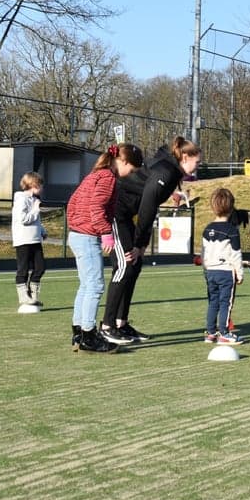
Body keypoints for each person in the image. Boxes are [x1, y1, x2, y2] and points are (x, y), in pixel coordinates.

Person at [99, 135, 201, 344]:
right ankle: (107, 326)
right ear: (184, 156)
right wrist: (139, 244)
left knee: (134, 266)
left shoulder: (171, 170)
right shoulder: (166, 172)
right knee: (125, 266)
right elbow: (147, 206)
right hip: (116, 212)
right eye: (196, 162)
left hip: (126, 215)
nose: (198, 166)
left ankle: (121, 323)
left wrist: (140, 245)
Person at [66, 143, 144, 353]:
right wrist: (106, 233)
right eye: (132, 170)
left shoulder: (95, 175)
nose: (130, 174)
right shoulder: (108, 178)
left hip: (76, 233)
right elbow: (97, 207)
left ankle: (79, 330)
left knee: (85, 285)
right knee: (95, 285)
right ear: (124, 162)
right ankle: (89, 335)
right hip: (87, 235)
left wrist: (75, 224)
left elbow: (72, 203)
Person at [202, 187, 245, 345]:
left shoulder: (207, 229)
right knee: (225, 303)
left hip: (210, 271)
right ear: (231, 208)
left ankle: (210, 332)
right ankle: (225, 333)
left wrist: (205, 269)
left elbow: (203, 252)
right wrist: (239, 274)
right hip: (226, 272)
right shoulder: (232, 230)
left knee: (213, 302)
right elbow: (235, 254)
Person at [11, 171, 48, 309]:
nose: (42, 188)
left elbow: (36, 221)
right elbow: (23, 219)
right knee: (23, 269)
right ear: (33, 185)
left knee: (40, 267)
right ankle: (23, 297)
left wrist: (42, 231)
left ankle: (33, 295)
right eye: (40, 185)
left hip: (35, 239)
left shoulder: (34, 200)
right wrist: (36, 210)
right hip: (23, 240)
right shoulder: (21, 199)